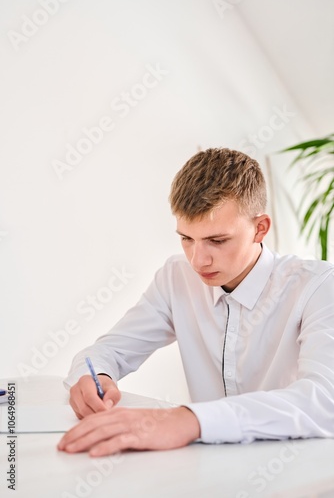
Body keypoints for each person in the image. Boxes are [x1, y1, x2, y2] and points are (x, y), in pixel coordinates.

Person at [58, 147, 334, 457]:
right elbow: (108, 351)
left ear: (260, 228)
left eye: (217, 240)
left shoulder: (318, 285)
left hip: (298, 468)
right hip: (206, 469)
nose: (198, 260)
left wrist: (189, 420)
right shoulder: (176, 277)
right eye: (187, 238)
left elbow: (324, 400)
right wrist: (93, 377)